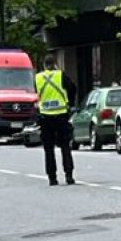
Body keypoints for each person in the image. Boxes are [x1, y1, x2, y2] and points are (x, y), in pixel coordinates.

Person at [35, 54, 78, 186]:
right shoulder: (61, 75)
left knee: (48, 149)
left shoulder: (38, 78)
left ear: (44, 65)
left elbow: (37, 94)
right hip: (61, 115)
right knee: (65, 146)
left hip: (45, 117)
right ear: (55, 63)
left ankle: (52, 178)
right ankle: (69, 175)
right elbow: (73, 88)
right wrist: (69, 103)